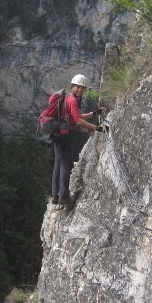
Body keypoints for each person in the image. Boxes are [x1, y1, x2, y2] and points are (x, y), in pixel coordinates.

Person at [51, 74, 106, 205]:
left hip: (57, 134)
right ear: (73, 86)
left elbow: (77, 116)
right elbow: (78, 121)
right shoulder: (72, 100)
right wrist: (97, 128)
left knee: (58, 164)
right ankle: (63, 196)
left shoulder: (68, 98)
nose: (80, 90)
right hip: (63, 136)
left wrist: (95, 113)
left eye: (82, 88)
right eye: (78, 87)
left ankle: (55, 196)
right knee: (65, 165)